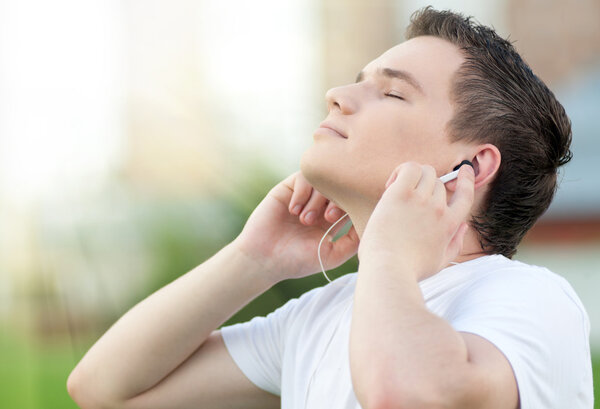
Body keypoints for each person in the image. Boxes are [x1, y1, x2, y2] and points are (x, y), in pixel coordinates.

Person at [67, 7, 593, 409]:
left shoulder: (530, 297)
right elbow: (103, 387)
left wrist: (387, 250)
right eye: (358, 81)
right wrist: (255, 258)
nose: (336, 95)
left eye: (391, 93)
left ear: (471, 168)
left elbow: (405, 394)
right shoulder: (322, 315)